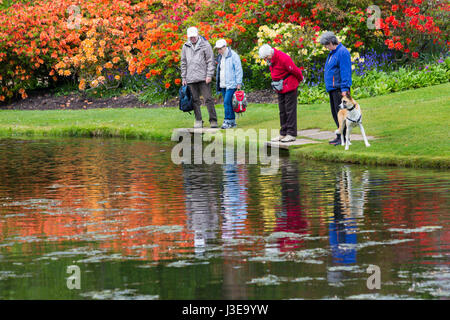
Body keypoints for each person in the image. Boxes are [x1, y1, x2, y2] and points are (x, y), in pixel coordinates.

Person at [258, 44, 303, 142]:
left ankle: (291, 133)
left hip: (290, 85)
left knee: (290, 110)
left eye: (266, 57)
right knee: (282, 110)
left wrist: (300, 79)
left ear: (270, 53)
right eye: (264, 58)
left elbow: (295, 70)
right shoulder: (271, 60)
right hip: (280, 87)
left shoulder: (283, 57)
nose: (265, 60)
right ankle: (283, 133)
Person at [181, 27, 218, 128]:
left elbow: (210, 61)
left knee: (208, 99)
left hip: (203, 77)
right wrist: (183, 78)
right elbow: (183, 62)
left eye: (193, 36)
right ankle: (198, 120)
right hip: (190, 78)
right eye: (190, 37)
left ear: (197, 34)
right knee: (194, 100)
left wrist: (209, 75)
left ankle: (213, 120)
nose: (192, 38)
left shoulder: (205, 45)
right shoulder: (185, 46)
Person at [320, 31, 352, 146]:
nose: (326, 47)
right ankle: (340, 136)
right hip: (333, 89)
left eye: (326, 45)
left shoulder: (342, 52)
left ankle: (344, 138)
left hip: (339, 89)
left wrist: (345, 89)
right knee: (336, 114)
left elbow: (345, 72)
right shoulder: (332, 53)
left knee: (342, 115)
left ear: (330, 42)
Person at [214, 39, 243, 129]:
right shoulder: (220, 56)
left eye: (220, 49)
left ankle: (227, 120)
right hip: (223, 84)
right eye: (217, 49)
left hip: (232, 84)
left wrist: (238, 83)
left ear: (225, 47)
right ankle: (232, 122)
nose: (219, 51)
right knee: (229, 103)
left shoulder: (233, 56)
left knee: (226, 102)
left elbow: (238, 70)